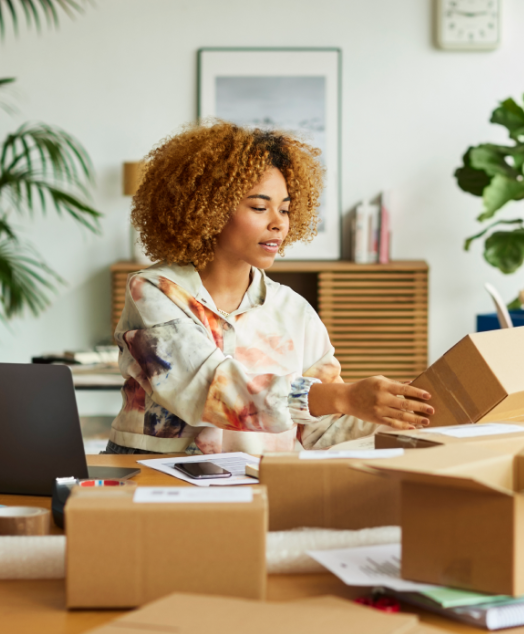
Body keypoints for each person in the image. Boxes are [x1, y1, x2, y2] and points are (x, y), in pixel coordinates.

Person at [105, 122, 433, 455]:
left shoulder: (295, 311)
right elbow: (209, 389)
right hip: (155, 483)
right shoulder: (155, 290)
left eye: (286, 209)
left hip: (256, 484)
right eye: (260, 207)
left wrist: (401, 412)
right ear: (211, 209)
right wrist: (344, 396)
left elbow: (322, 428)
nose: (278, 222)